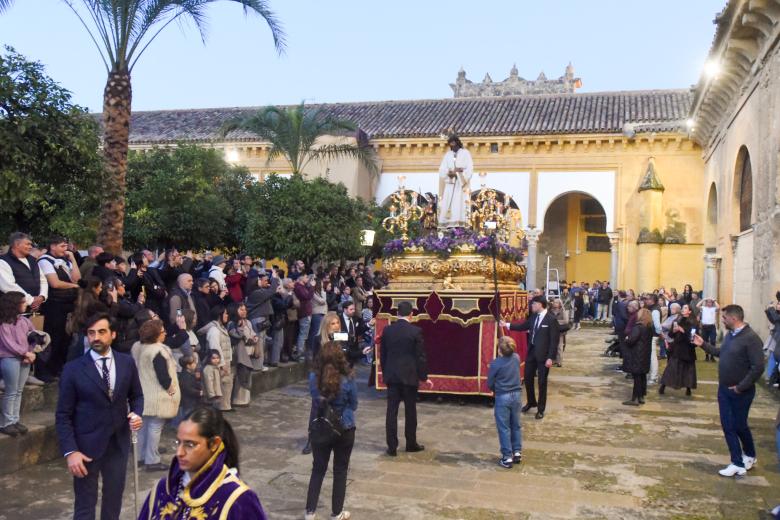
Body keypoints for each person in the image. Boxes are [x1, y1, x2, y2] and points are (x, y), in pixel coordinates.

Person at [55, 313, 144, 520]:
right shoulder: (73, 369)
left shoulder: (126, 363)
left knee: (114, 501)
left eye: (102, 332)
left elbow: (137, 396)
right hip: (86, 447)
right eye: (91, 333)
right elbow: (63, 415)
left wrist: (136, 413)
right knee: (85, 505)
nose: (96, 337)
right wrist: (70, 452)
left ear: (112, 334)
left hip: (118, 444)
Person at [140, 407, 267, 519]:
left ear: (214, 444)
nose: (179, 452)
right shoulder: (164, 489)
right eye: (178, 442)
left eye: (190, 444)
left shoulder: (237, 498)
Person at [692, 304, 764, 477]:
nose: (722, 320)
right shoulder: (731, 335)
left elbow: (757, 367)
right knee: (730, 425)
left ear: (733, 318)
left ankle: (741, 461)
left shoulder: (751, 338)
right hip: (724, 388)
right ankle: (743, 458)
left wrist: (741, 387)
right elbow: (721, 353)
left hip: (740, 391)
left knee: (737, 426)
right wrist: (703, 345)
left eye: (724, 318)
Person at [304, 341, 357, 520]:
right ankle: (337, 512)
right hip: (345, 427)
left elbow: (314, 397)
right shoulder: (348, 378)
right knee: (340, 470)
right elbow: (354, 404)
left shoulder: (314, 377)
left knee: (318, 469)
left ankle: (310, 512)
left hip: (321, 425)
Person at [380, 301, 431, 456]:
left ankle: (392, 446)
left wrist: (385, 372)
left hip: (392, 376)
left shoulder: (388, 330)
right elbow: (420, 357)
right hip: (409, 376)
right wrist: (423, 376)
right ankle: (410, 443)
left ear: (397, 314)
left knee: (391, 412)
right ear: (411, 314)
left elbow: (383, 355)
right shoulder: (415, 331)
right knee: (410, 411)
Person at [502, 296, 560, 420]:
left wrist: (551, 358)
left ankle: (540, 408)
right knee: (528, 378)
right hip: (532, 352)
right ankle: (531, 402)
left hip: (544, 356)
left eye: (533, 304)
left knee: (542, 382)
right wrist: (506, 324)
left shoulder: (551, 319)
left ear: (540, 305)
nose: (531, 306)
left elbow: (554, 341)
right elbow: (522, 326)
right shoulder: (533, 317)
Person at [135, 319, 180, 472]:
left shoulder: (139, 347)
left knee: (143, 427)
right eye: (163, 332)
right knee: (155, 427)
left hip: (143, 393)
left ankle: (140, 456)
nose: (165, 333)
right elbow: (163, 376)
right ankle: (152, 459)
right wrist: (171, 390)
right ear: (156, 335)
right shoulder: (158, 351)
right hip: (157, 395)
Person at [0, 292, 45, 436]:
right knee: (11, 391)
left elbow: (33, 337)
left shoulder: (25, 321)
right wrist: (25, 353)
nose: (25, 304)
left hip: (25, 358)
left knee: (19, 391)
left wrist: (31, 352)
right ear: (14, 304)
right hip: (10, 359)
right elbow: (9, 343)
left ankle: (15, 419)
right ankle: (6, 422)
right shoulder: (4, 323)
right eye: (23, 302)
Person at [37, 235, 80, 380]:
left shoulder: (65, 260)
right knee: (54, 338)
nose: (65, 249)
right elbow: (55, 283)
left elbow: (77, 278)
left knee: (65, 339)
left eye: (66, 246)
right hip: (53, 306)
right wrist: (74, 286)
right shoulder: (45, 261)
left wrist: (73, 259)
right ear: (52, 246)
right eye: (62, 246)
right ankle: (47, 370)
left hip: (67, 306)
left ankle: (60, 368)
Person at [487, 336, 523, 469]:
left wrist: (495, 388)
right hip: (517, 395)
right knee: (516, 425)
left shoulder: (495, 363)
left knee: (504, 428)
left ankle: (507, 457)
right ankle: (517, 452)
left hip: (503, 396)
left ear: (499, 351)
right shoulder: (517, 358)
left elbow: (490, 383)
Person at [0, 232, 48, 312]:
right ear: (16, 244)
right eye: (28, 244)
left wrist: (42, 297)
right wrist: (31, 300)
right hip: (13, 310)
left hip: (37, 308)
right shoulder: (3, 261)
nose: (30, 247)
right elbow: (9, 286)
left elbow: (43, 280)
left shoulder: (32, 260)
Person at [228, 302, 263, 407]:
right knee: (240, 375)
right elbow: (236, 336)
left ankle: (245, 400)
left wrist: (254, 338)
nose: (244, 312)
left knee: (247, 374)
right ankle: (237, 400)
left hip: (249, 352)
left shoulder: (248, 322)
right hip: (239, 354)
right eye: (241, 309)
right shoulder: (232, 323)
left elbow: (252, 333)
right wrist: (241, 330)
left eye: (245, 309)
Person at [659, 304, 698, 397]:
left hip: (688, 349)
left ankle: (688, 388)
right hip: (677, 348)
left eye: (685, 308)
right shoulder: (677, 320)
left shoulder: (693, 322)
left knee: (688, 370)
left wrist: (683, 331)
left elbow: (693, 338)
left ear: (690, 311)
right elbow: (671, 334)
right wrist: (674, 331)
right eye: (683, 308)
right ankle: (663, 386)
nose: (683, 309)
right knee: (671, 368)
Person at [437, 134, 473, 228]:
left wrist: (458, 173)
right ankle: (447, 224)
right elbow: (442, 169)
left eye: (453, 143)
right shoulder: (448, 155)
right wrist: (449, 172)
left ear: (457, 142)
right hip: (450, 184)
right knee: (447, 203)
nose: (452, 146)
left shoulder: (465, 153)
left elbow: (469, 168)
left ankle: (459, 225)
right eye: (450, 144)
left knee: (459, 204)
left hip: (460, 186)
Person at [622, 308, 653, 406]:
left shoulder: (638, 327)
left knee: (637, 377)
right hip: (645, 354)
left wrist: (627, 339)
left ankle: (634, 398)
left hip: (637, 354)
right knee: (642, 375)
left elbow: (632, 340)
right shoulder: (649, 327)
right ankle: (641, 396)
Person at [697, 297, 720, 362]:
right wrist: (703, 300)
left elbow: (718, 307)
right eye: (708, 302)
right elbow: (697, 305)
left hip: (712, 327)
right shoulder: (703, 308)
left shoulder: (713, 308)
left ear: (712, 303)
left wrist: (714, 301)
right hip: (704, 327)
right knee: (705, 342)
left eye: (710, 302)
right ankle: (706, 356)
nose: (709, 303)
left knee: (713, 341)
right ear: (706, 303)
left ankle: (712, 356)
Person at [549, 299, 569, 367]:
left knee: (559, 347)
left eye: (556, 302)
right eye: (554, 302)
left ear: (560, 304)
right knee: (552, 346)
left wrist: (556, 322)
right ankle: (553, 360)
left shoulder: (563, 311)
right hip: (551, 331)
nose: (555, 303)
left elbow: (566, 321)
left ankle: (559, 361)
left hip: (560, 332)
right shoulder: (550, 311)